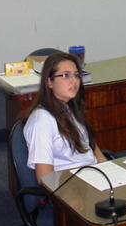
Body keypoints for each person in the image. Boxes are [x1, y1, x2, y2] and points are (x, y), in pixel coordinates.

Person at [22, 52, 107, 185]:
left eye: (76, 75)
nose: (74, 81)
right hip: (71, 187)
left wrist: (110, 173)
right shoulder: (42, 121)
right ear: (49, 82)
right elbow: (45, 178)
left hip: (93, 178)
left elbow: (92, 148)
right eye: (65, 75)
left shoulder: (70, 109)